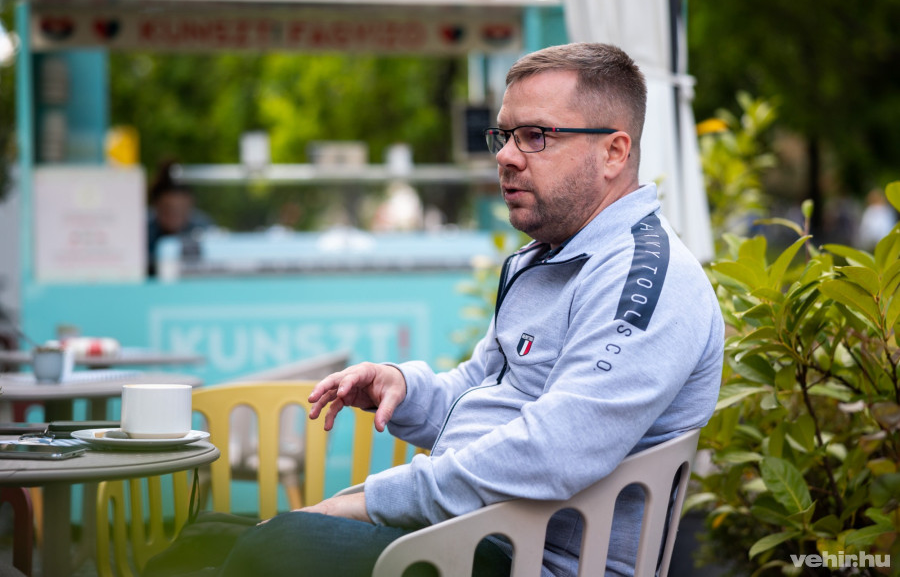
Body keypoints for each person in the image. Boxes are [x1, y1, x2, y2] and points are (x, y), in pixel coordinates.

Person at [147, 42, 724, 577]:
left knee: (275, 547)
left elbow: (554, 452)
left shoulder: (647, 278)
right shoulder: (551, 254)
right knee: (203, 537)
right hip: (475, 533)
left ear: (613, 152)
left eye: (535, 136)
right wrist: (404, 388)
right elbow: (484, 389)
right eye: (504, 136)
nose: (507, 157)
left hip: (533, 558)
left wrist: (366, 502)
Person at [146, 160, 212, 275]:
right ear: (156, 206)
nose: (173, 217)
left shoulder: (202, 227)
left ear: (190, 205)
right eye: (167, 210)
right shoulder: (144, 230)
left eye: (180, 211)